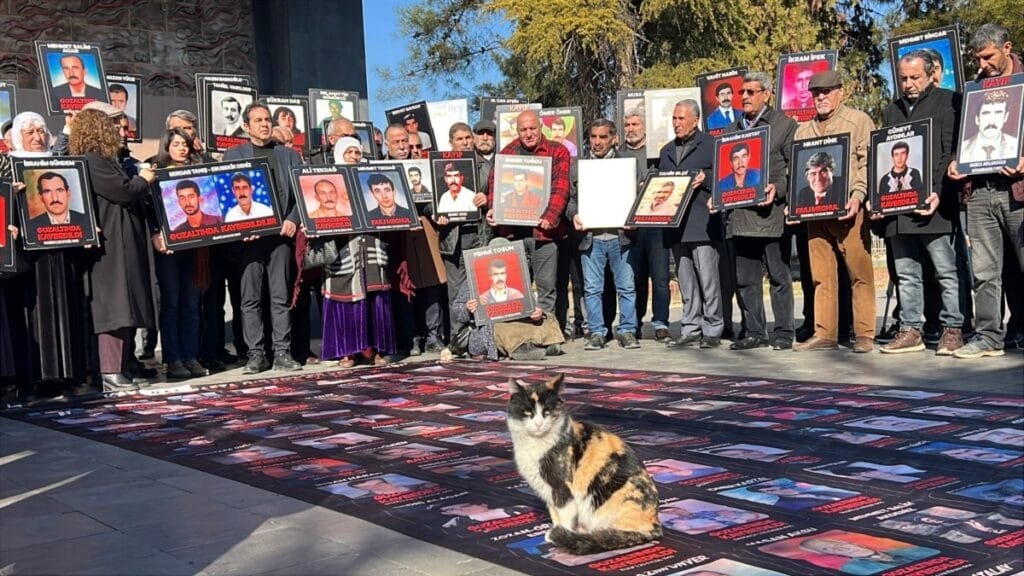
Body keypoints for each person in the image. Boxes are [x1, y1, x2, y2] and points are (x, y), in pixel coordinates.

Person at [876, 50, 964, 356]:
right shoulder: (891, 111)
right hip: (897, 209)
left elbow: (948, 153)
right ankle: (910, 329)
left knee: (946, 271)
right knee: (906, 273)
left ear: (931, 74)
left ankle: (953, 328)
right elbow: (884, 159)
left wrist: (938, 192)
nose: (909, 84)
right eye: (903, 78)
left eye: (915, 77)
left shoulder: (948, 101)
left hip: (934, 206)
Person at [948, 23, 1024, 359]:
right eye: (978, 59)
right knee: (985, 272)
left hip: (1017, 191)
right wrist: (955, 163)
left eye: (988, 57)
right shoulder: (973, 91)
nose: (982, 65)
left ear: (1007, 48)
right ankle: (988, 336)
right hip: (978, 191)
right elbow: (962, 139)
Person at [69, 108, 157, 391]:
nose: (120, 132)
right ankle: (109, 371)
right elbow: (123, 191)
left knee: (126, 306)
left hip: (123, 240)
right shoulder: (93, 160)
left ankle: (119, 368)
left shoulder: (106, 160)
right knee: (114, 308)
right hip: (110, 244)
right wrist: (144, 178)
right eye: (113, 127)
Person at [792, 71, 876, 353]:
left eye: (827, 91)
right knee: (821, 275)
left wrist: (858, 195)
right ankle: (825, 332)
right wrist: (794, 204)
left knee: (859, 272)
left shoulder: (859, 121)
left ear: (841, 91)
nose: (822, 97)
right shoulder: (803, 130)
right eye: (816, 93)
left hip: (849, 211)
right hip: (815, 215)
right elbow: (798, 173)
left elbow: (868, 163)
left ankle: (864, 333)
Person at [222, 101, 304, 374]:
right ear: (246, 126)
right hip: (249, 242)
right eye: (258, 120)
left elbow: (300, 195)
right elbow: (225, 200)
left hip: (280, 237)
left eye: (267, 119)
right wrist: (239, 229)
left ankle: (282, 352)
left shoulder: (288, 156)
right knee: (250, 299)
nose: (265, 124)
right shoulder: (233, 156)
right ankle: (256, 355)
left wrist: (292, 219)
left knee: (280, 298)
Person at [723, 71, 797, 351]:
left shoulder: (783, 125)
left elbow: (794, 167)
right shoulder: (731, 131)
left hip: (772, 215)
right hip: (739, 216)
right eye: (742, 93)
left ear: (767, 94)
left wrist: (777, 189)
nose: (744, 97)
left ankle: (783, 332)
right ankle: (754, 331)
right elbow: (724, 174)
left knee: (779, 276)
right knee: (745, 279)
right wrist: (717, 198)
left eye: (751, 92)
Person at [487, 109, 571, 328]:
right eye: (523, 129)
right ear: (517, 130)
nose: (528, 133)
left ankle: (549, 333)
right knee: (516, 289)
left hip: (544, 233)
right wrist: (493, 209)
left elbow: (561, 188)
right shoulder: (506, 153)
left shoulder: (557, 151)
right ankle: (519, 333)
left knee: (546, 288)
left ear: (541, 127)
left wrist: (549, 216)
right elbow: (496, 189)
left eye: (532, 128)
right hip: (513, 233)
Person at [656, 100, 723, 350]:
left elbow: (725, 178)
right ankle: (690, 327)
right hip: (675, 225)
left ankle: (713, 327)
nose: (676, 123)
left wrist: (708, 179)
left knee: (708, 278)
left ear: (695, 120)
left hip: (703, 223)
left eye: (681, 118)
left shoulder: (712, 145)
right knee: (685, 280)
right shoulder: (666, 151)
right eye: (674, 118)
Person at [568, 118, 639, 351]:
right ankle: (597, 332)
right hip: (591, 237)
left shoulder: (628, 164)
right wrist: (574, 215)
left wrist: (635, 219)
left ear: (614, 138)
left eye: (603, 137)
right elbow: (571, 200)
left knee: (626, 287)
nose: (597, 142)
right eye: (593, 137)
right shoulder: (579, 166)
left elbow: (639, 197)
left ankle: (628, 330)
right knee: (592, 289)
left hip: (621, 236)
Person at [150, 130, 212, 381]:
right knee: (172, 304)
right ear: (167, 147)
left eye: (185, 144)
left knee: (191, 306)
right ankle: (173, 359)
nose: (182, 148)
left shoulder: (200, 171)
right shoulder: (155, 172)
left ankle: (191, 356)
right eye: (176, 144)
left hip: (196, 249)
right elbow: (149, 209)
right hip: (169, 250)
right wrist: (157, 233)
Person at [959, 89, 1020, 163]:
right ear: (977, 119)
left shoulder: (1016, 146)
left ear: (1005, 117)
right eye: (986, 113)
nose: (991, 122)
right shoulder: (962, 149)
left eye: (998, 113)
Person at [26, 172, 90, 236]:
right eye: (47, 192)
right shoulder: (30, 227)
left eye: (59, 190)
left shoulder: (87, 221)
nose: (55, 198)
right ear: (41, 197)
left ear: (68, 194)